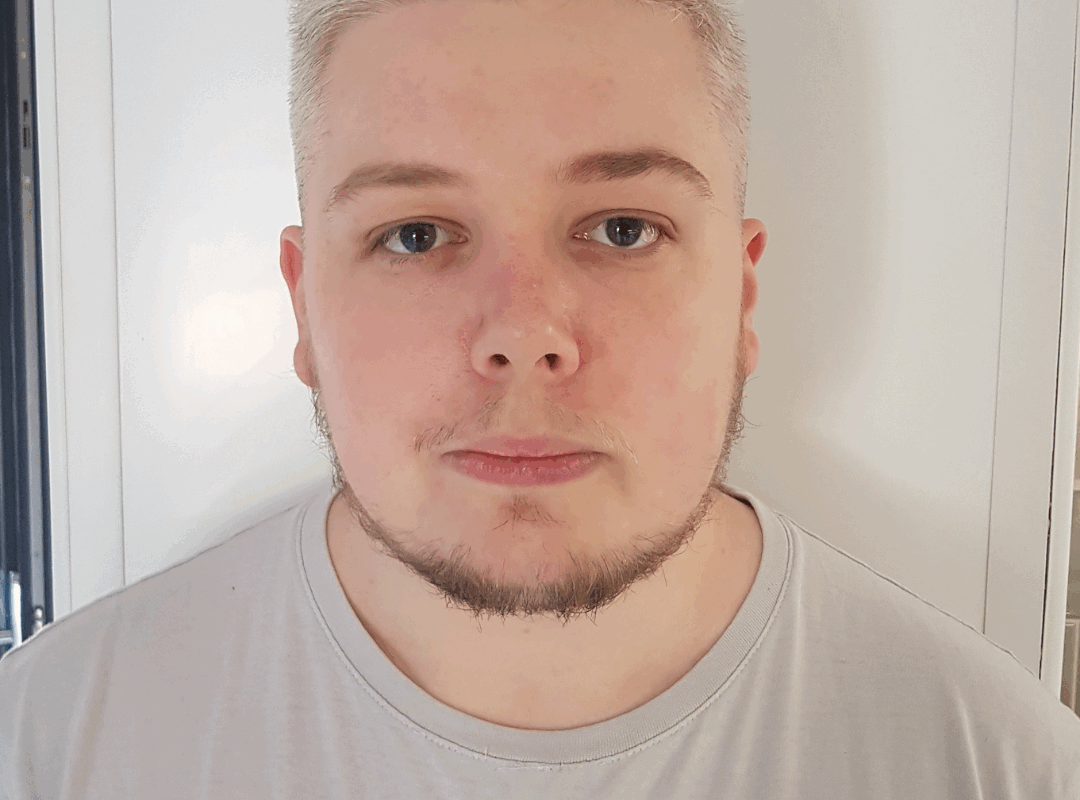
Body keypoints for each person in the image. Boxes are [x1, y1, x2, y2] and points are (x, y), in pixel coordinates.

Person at [3, 0, 1080, 796]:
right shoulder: (48, 749)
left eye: (623, 228)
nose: (524, 335)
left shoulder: (1001, 767)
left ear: (742, 295)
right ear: (303, 307)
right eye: (414, 235)